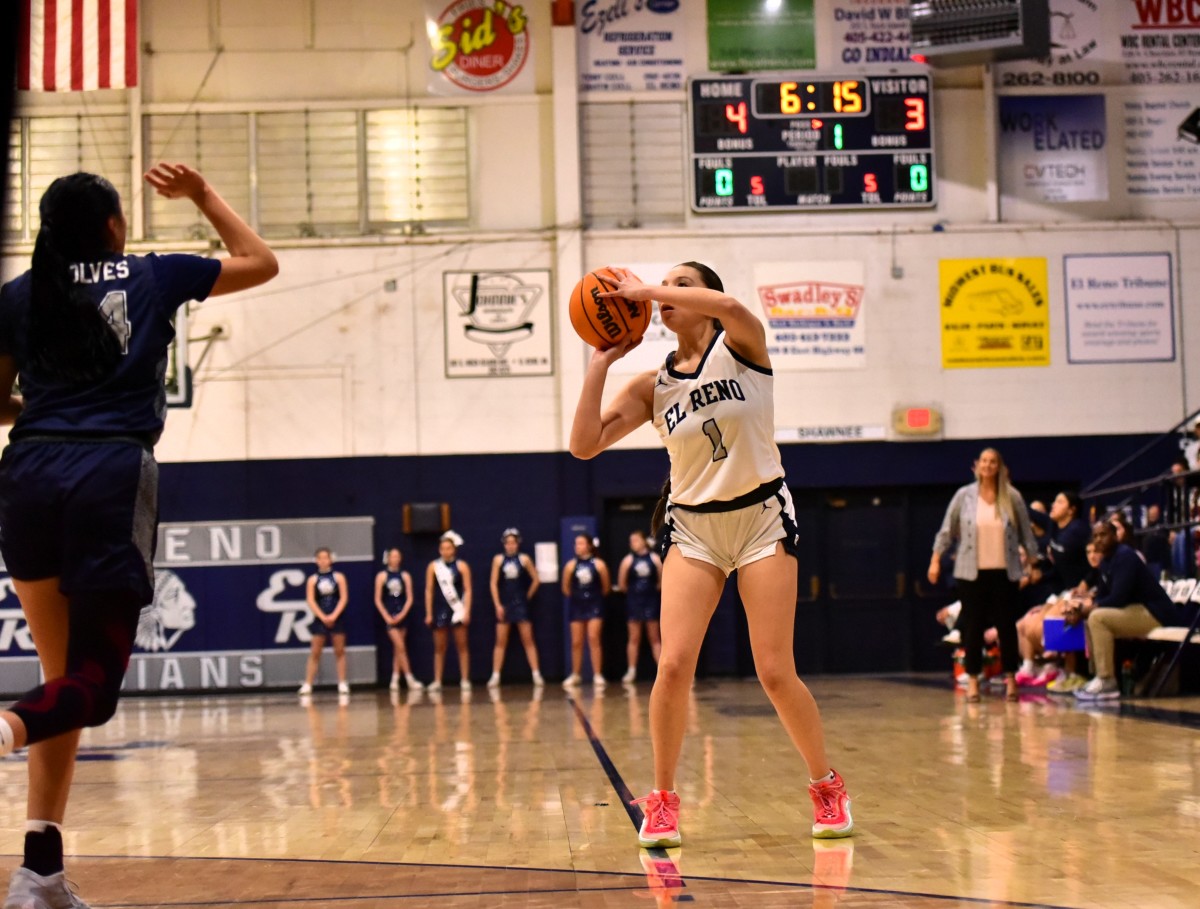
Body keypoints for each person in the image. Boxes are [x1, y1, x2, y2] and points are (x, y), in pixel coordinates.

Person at [0, 163, 277, 907]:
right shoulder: (151, 276)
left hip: (26, 474)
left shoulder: (20, 295)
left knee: (65, 684)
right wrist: (203, 195)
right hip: (109, 476)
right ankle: (4, 728)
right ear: (114, 225)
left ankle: (39, 872)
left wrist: (52, 400)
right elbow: (262, 261)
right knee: (93, 688)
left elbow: (0, 403)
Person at [569, 262, 853, 846]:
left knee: (774, 670)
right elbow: (583, 446)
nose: (666, 295)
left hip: (760, 519)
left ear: (706, 296)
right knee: (672, 666)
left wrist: (645, 291)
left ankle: (826, 785)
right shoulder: (655, 385)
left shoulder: (743, 344)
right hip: (694, 528)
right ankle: (665, 800)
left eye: (680, 285)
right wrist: (601, 363)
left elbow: (734, 311)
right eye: (663, 287)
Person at [929, 448, 1038, 703]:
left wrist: (1033, 564)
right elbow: (947, 530)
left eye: (993, 462)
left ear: (999, 466)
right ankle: (974, 680)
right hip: (971, 572)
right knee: (973, 626)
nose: (988, 466)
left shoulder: (1012, 496)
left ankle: (1012, 678)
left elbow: (1026, 534)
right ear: (977, 466)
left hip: (1005, 570)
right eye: (984, 461)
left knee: (1006, 626)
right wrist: (935, 560)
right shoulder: (964, 496)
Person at [1070, 521, 1191, 701]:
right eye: (1095, 536)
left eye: (1103, 535)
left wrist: (1090, 608)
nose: (1098, 540)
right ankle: (1097, 677)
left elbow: (1118, 598)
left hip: (1156, 612)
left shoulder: (1125, 556)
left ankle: (1107, 681)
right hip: (1135, 609)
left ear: (1115, 536)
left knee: (1097, 617)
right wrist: (1081, 610)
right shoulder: (1106, 562)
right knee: (1091, 617)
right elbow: (1103, 596)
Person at [487, 528, 544, 688]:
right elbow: (493, 583)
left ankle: (536, 673)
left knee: (528, 639)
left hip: (520, 603)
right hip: (504, 604)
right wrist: (497, 604)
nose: (510, 546)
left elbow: (536, 580)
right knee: (500, 641)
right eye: (508, 543)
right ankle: (496, 674)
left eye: (513, 543)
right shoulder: (498, 560)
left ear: (518, 543)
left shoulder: (524, 559)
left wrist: (527, 597)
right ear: (504, 544)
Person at [298, 548, 351, 697]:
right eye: (319, 558)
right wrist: (322, 616)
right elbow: (310, 600)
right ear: (316, 561)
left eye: (325, 558)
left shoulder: (339, 577)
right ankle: (308, 684)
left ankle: (342, 683)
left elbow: (343, 598)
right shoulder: (312, 580)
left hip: (337, 616)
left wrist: (334, 615)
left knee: (339, 650)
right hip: (320, 618)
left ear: (330, 560)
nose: (323, 561)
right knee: (315, 652)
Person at [561, 534, 611, 689]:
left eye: (581, 543)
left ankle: (597, 674)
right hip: (577, 606)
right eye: (576, 544)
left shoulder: (599, 565)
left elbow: (606, 587)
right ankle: (576, 674)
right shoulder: (570, 565)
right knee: (576, 641)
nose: (578, 546)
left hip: (594, 605)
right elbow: (565, 588)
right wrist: (578, 598)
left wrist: (593, 598)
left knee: (593, 637)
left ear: (589, 545)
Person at [425, 530, 473, 692]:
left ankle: (465, 679)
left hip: (457, 608)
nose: (446, 551)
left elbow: (468, 590)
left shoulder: (462, 566)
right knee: (439, 647)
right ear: (440, 550)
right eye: (443, 548)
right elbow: (429, 590)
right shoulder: (433, 566)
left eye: (449, 548)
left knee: (462, 645)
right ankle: (437, 680)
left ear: (454, 549)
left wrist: (466, 611)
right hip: (440, 608)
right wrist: (429, 613)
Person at [374, 548, 423, 692]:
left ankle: (394, 678)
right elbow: (377, 599)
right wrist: (386, 616)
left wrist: (403, 614)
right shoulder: (382, 576)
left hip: (402, 613)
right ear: (388, 558)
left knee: (398, 649)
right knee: (400, 646)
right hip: (389, 613)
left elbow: (409, 597)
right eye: (392, 556)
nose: (395, 559)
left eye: (397, 556)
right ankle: (409, 678)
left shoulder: (405, 575)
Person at [618, 529, 663, 683]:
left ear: (644, 541)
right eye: (631, 541)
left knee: (655, 637)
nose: (633, 543)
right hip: (634, 602)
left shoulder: (655, 559)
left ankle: (662, 670)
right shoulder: (627, 561)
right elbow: (622, 584)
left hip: (651, 601)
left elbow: (661, 582)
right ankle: (631, 670)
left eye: (636, 540)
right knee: (634, 638)